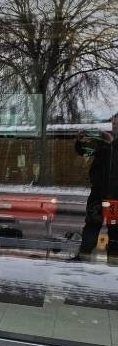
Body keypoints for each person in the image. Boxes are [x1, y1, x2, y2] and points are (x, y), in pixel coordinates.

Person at [72, 112, 118, 264]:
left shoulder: (109, 141)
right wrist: (80, 142)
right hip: (98, 193)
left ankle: (114, 260)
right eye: (113, 123)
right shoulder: (102, 141)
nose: (115, 126)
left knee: (114, 228)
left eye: (117, 124)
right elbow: (84, 151)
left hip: (115, 196)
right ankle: (83, 256)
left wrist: (110, 144)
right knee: (92, 224)